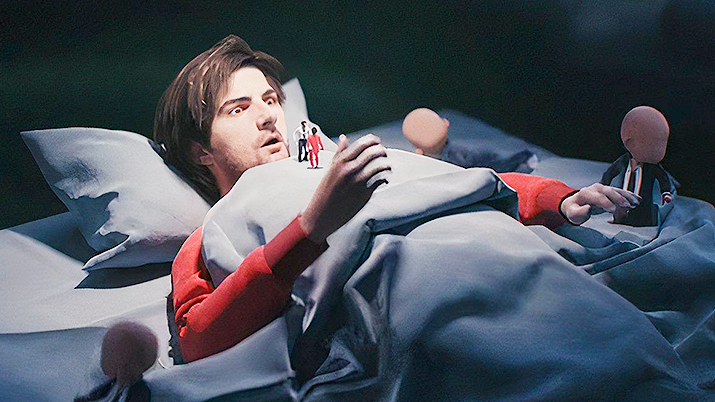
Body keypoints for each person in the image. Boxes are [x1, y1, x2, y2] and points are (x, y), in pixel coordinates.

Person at [149, 35, 640, 371]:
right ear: (201, 151)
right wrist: (312, 227)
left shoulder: (337, 163)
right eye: (239, 109)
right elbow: (199, 338)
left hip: (498, 250)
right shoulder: (213, 231)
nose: (267, 117)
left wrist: (558, 197)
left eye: (271, 100)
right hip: (419, 298)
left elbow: (438, 181)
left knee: (611, 340)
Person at [402, 108, 539, 173]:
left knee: (493, 163)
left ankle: (521, 159)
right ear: (446, 123)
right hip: (465, 164)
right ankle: (521, 159)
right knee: (492, 161)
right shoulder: (457, 154)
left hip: (466, 164)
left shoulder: (455, 155)